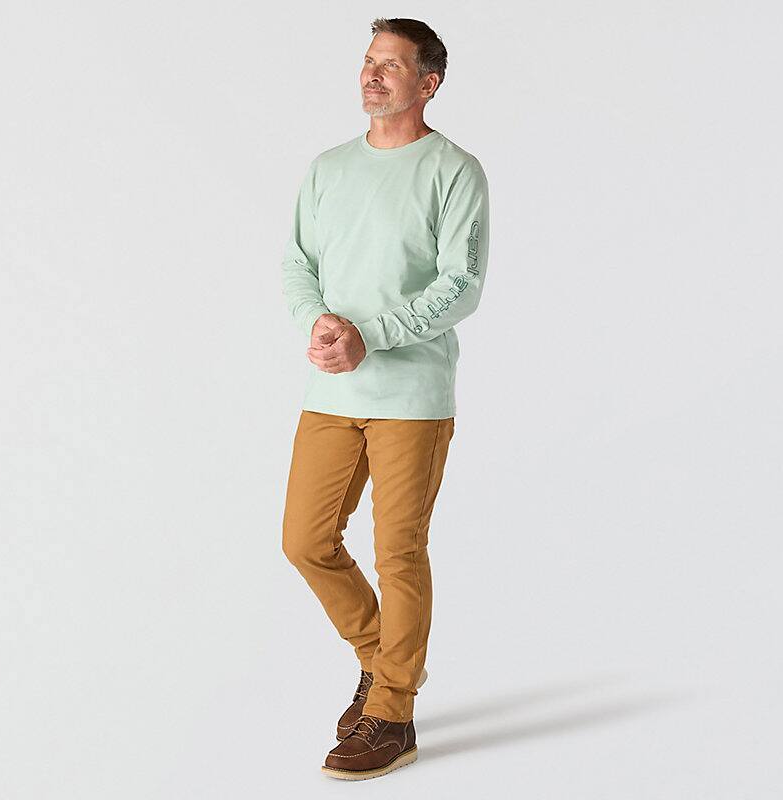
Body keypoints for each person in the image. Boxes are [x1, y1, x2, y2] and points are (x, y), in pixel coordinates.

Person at [280, 17, 490, 781]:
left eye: (391, 65)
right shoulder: (329, 169)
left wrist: (371, 335)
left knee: (398, 552)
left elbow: (461, 284)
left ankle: (393, 714)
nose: (371, 74)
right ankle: (383, 660)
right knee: (305, 540)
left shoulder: (454, 171)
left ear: (428, 84)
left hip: (413, 395)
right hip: (333, 388)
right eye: (368, 61)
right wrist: (320, 323)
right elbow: (298, 263)